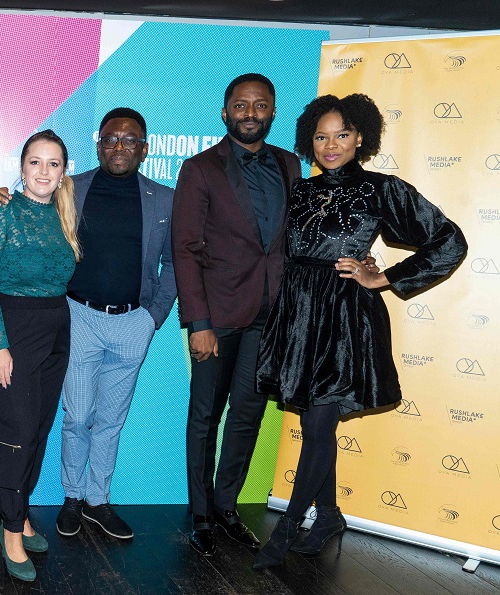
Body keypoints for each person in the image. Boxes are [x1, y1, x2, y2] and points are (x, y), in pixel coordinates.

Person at [252, 93, 467, 569]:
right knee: (313, 423)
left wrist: (383, 276)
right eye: (322, 136)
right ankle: (327, 515)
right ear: (310, 139)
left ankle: (287, 530)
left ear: (361, 138)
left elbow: (449, 240)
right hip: (299, 312)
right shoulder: (300, 189)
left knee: (321, 424)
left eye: (342, 135)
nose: (331, 145)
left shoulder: (380, 188)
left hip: (344, 317)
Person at [0, 108, 176, 541]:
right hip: (79, 319)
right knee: (77, 417)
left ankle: (98, 501)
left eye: (130, 140)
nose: (119, 147)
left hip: (134, 322)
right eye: (112, 138)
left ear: (145, 150)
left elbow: (175, 263)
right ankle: (72, 497)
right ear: (98, 144)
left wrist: (153, 317)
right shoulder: (73, 189)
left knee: (112, 420)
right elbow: (29, 208)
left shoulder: (164, 199)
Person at [171, 74, 305, 557]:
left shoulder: (290, 165)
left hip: (270, 318)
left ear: (273, 112)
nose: (250, 113)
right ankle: (201, 515)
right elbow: (185, 250)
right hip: (219, 317)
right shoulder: (201, 169)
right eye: (241, 105)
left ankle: (227, 508)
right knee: (205, 417)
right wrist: (198, 323)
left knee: (247, 415)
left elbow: (294, 240)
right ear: (225, 113)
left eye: (260, 105)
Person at [0, 130, 80, 581]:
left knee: (37, 428)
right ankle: (9, 530)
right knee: (15, 432)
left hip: (56, 327)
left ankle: (20, 515)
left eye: (53, 164)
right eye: (35, 162)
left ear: (63, 172)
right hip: (12, 329)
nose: (43, 171)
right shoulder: (0, 213)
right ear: (21, 168)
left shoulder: (63, 213)